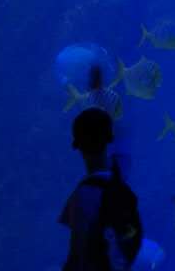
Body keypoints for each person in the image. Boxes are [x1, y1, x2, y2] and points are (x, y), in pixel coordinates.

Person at [60, 106, 144, 270]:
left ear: (78, 145)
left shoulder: (84, 194)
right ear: (109, 139)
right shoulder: (121, 187)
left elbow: (76, 255)